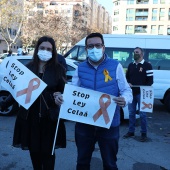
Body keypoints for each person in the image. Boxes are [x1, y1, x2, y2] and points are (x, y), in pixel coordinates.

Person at [54, 32, 132, 170]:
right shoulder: (81, 67)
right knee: (82, 162)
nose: (94, 48)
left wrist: (125, 99)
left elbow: (126, 89)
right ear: (86, 49)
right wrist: (62, 95)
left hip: (109, 124)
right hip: (85, 124)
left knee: (110, 163)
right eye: (90, 46)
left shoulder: (115, 66)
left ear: (103, 47)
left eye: (97, 45)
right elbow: (74, 87)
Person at [0, 36, 67, 170]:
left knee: (48, 155)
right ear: (37, 49)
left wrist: (59, 96)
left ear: (53, 51)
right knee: (34, 153)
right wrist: (4, 104)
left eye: (49, 49)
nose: (45, 51)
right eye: (42, 48)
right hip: (29, 118)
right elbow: (17, 90)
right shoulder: (28, 68)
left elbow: (64, 91)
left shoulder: (58, 69)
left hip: (50, 119)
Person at [123, 47, 153, 142]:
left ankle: (143, 133)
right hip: (131, 94)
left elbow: (150, 81)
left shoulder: (147, 65)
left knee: (143, 114)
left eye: (137, 52)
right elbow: (127, 78)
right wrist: (128, 83)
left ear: (142, 54)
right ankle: (131, 131)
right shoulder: (131, 65)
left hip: (142, 94)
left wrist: (143, 88)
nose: (135, 54)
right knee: (131, 113)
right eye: (134, 52)